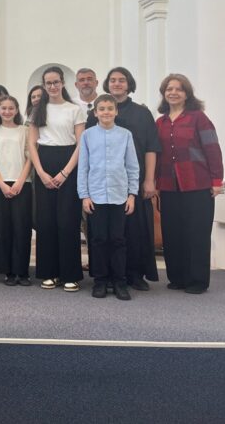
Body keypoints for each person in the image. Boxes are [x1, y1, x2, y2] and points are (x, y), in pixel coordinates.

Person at [87, 67, 162, 290]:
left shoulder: (142, 113)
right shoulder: (95, 114)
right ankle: (105, 276)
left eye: (122, 80)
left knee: (135, 230)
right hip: (102, 185)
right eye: (113, 80)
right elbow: (87, 151)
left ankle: (134, 274)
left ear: (129, 84)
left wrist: (149, 180)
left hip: (133, 181)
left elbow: (151, 147)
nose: (117, 83)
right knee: (103, 234)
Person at [155, 74, 223, 294]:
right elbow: (156, 155)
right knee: (172, 232)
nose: (173, 92)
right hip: (168, 186)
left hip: (197, 185)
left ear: (187, 94)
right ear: (164, 94)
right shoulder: (160, 122)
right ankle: (177, 277)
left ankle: (197, 280)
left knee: (197, 233)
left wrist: (217, 180)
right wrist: (154, 183)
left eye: (179, 89)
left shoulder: (198, 118)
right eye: (169, 89)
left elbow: (212, 149)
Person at [28, 66, 86, 292]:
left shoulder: (75, 109)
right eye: (48, 83)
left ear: (63, 83)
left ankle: (70, 274)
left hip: (69, 163)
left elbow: (81, 144)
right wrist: (41, 173)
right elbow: (32, 145)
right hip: (44, 162)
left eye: (56, 82)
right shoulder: (37, 110)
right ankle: (49, 272)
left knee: (68, 220)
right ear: (44, 86)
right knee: (46, 221)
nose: (52, 86)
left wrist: (65, 172)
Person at [78, 94, 139, 301]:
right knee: (98, 240)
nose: (106, 112)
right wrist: (84, 195)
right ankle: (100, 281)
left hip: (119, 196)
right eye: (102, 109)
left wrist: (132, 195)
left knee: (118, 240)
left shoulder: (125, 135)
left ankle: (119, 282)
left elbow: (132, 166)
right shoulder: (87, 135)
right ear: (95, 113)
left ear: (116, 111)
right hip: (96, 196)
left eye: (110, 108)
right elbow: (83, 168)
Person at [0, 96, 33, 286]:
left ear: (16, 110)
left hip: (22, 183)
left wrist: (20, 181)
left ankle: (23, 272)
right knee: (3, 228)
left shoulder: (25, 130)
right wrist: (2, 184)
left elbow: (29, 158)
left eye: (10, 108)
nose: (7, 111)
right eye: (3, 108)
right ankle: (9, 272)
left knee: (22, 228)